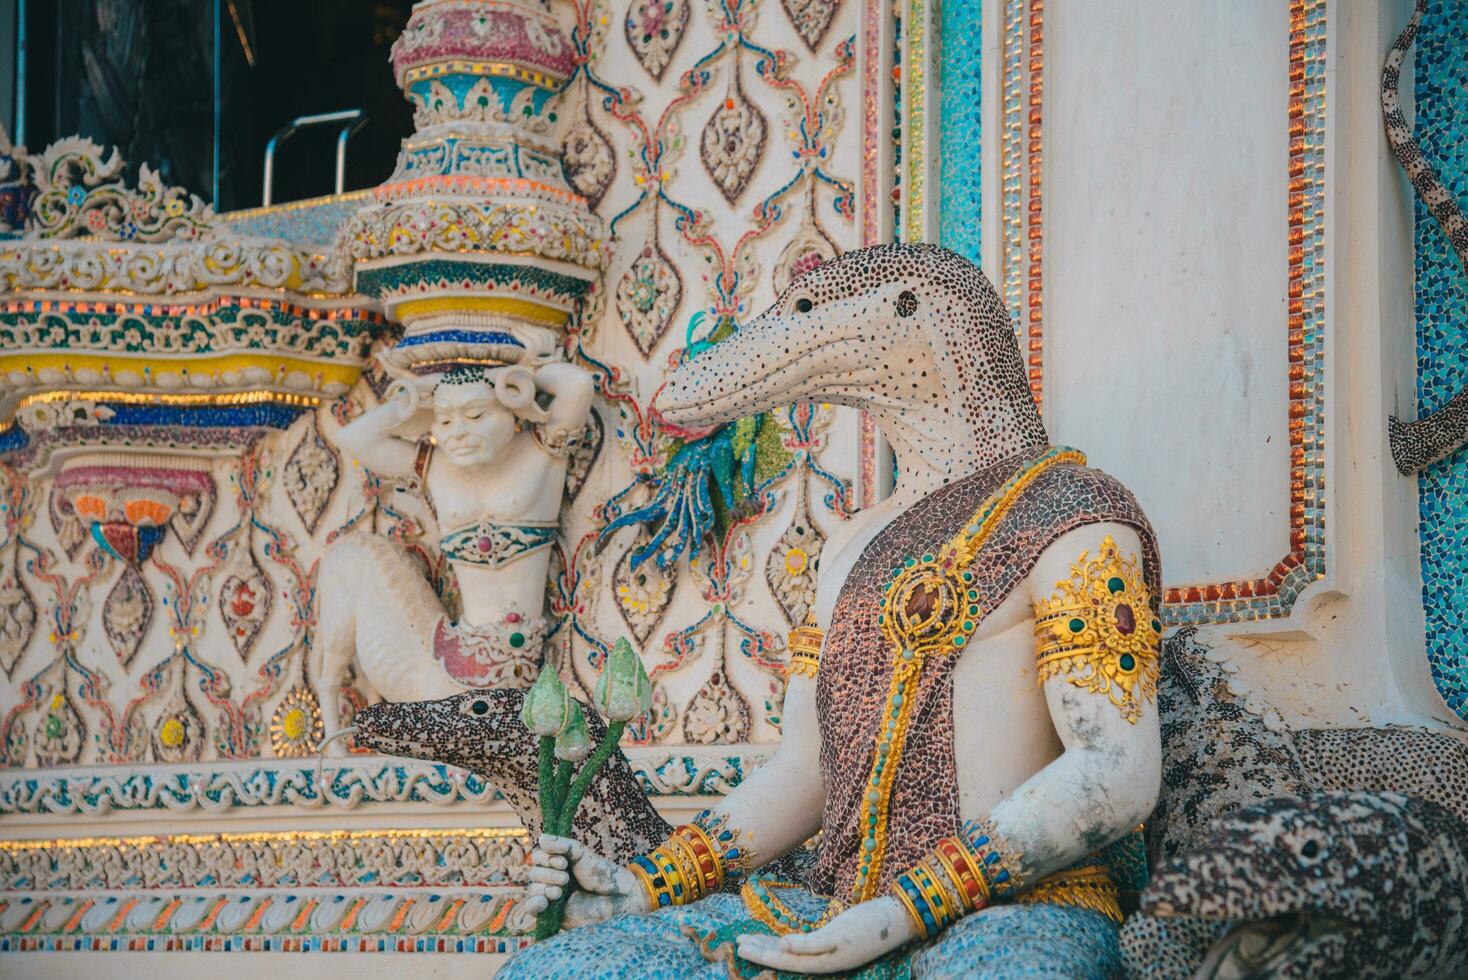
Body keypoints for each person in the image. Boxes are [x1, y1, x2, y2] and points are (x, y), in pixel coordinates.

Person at [503, 244, 1161, 978]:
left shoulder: (1075, 515)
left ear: (915, 312)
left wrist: (902, 912)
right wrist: (648, 884)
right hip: (836, 901)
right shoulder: (854, 541)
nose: (793, 331)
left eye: (810, 313)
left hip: (1020, 908)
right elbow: (804, 769)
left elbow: (1115, 768)